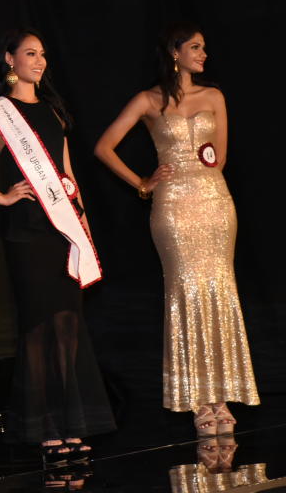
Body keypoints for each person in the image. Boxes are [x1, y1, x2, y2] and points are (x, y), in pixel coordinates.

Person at [0, 28, 115, 464]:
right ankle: (44, 426)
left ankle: (72, 421)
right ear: (9, 60)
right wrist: (1, 196)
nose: (39, 62)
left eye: (42, 54)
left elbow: (66, 172)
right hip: (25, 231)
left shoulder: (54, 111)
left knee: (68, 323)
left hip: (63, 229)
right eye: (29, 54)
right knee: (38, 324)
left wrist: (85, 223)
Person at [94, 22, 258, 435]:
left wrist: (200, 163)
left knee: (219, 289)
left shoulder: (214, 96)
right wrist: (143, 183)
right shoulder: (148, 99)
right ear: (174, 52)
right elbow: (103, 147)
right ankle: (197, 399)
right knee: (184, 291)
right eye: (196, 47)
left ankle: (222, 394)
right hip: (172, 209)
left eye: (204, 48)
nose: (203, 55)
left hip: (215, 202)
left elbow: (218, 157)